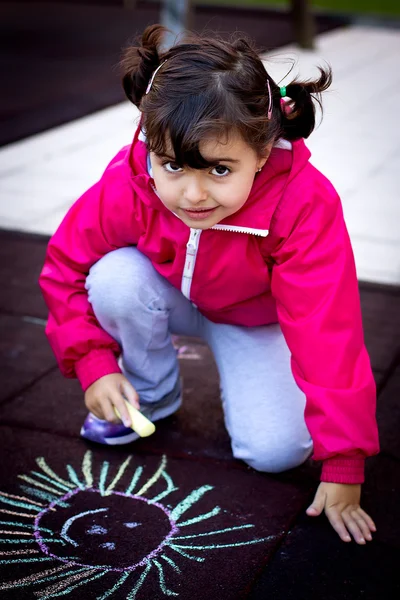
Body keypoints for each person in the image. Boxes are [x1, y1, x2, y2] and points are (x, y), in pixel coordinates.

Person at [39, 24, 379, 545]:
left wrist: (344, 460)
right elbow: (65, 266)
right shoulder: (132, 179)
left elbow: (327, 330)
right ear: (150, 144)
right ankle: (148, 397)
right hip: (170, 292)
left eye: (220, 169)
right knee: (112, 279)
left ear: (263, 153)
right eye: (172, 165)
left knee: (277, 453)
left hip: (254, 319)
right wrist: (92, 363)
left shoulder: (303, 204)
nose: (191, 194)